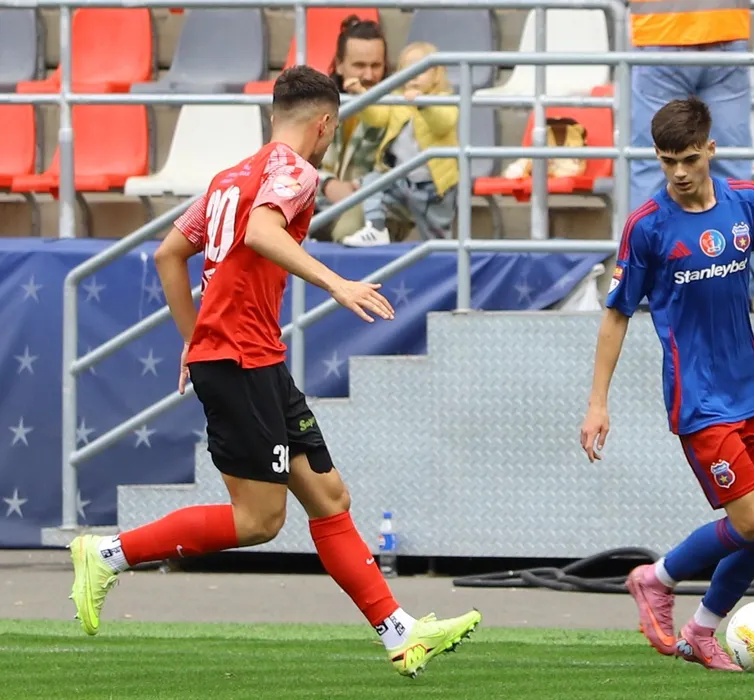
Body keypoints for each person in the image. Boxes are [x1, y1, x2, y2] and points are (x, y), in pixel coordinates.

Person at [67, 65, 481, 679]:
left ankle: (400, 632)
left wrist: (194, 337)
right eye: (333, 129)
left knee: (330, 497)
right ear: (325, 124)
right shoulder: (295, 171)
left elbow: (169, 253)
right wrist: (336, 282)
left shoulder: (231, 177)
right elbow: (263, 231)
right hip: (240, 359)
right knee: (258, 520)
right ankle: (107, 554)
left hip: (251, 356)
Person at [579, 97, 754, 672]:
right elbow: (616, 315)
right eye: (667, 161)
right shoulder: (648, 226)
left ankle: (701, 631)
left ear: (710, 149)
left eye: (689, 158)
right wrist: (597, 403)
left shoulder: (745, 203)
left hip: (753, 389)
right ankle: (655, 578)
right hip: (699, 398)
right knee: (751, 521)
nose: (679, 172)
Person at [627, 0, 754, 298]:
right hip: (725, 29)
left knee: (654, 166)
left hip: (660, 33)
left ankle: (646, 288)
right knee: (731, 166)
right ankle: (737, 287)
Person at [339, 42, 459, 248]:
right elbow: (376, 116)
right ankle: (376, 229)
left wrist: (423, 103)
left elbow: (443, 123)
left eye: (421, 69)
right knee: (373, 182)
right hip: (401, 179)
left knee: (437, 239)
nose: (413, 75)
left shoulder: (444, 99)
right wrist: (360, 93)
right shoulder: (397, 99)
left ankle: (444, 260)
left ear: (437, 75)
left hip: (433, 187)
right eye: (408, 69)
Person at [313, 15, 390, 243]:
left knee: (348, 230)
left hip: (369, 204)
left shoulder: (396, 108)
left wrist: (357, 189)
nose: (368, 75)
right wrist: (327, 184)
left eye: (376, 65)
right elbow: (291, 161)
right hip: (315, 200)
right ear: (339, 64)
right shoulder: (316, 105)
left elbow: (398, 170)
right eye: (359, 66)